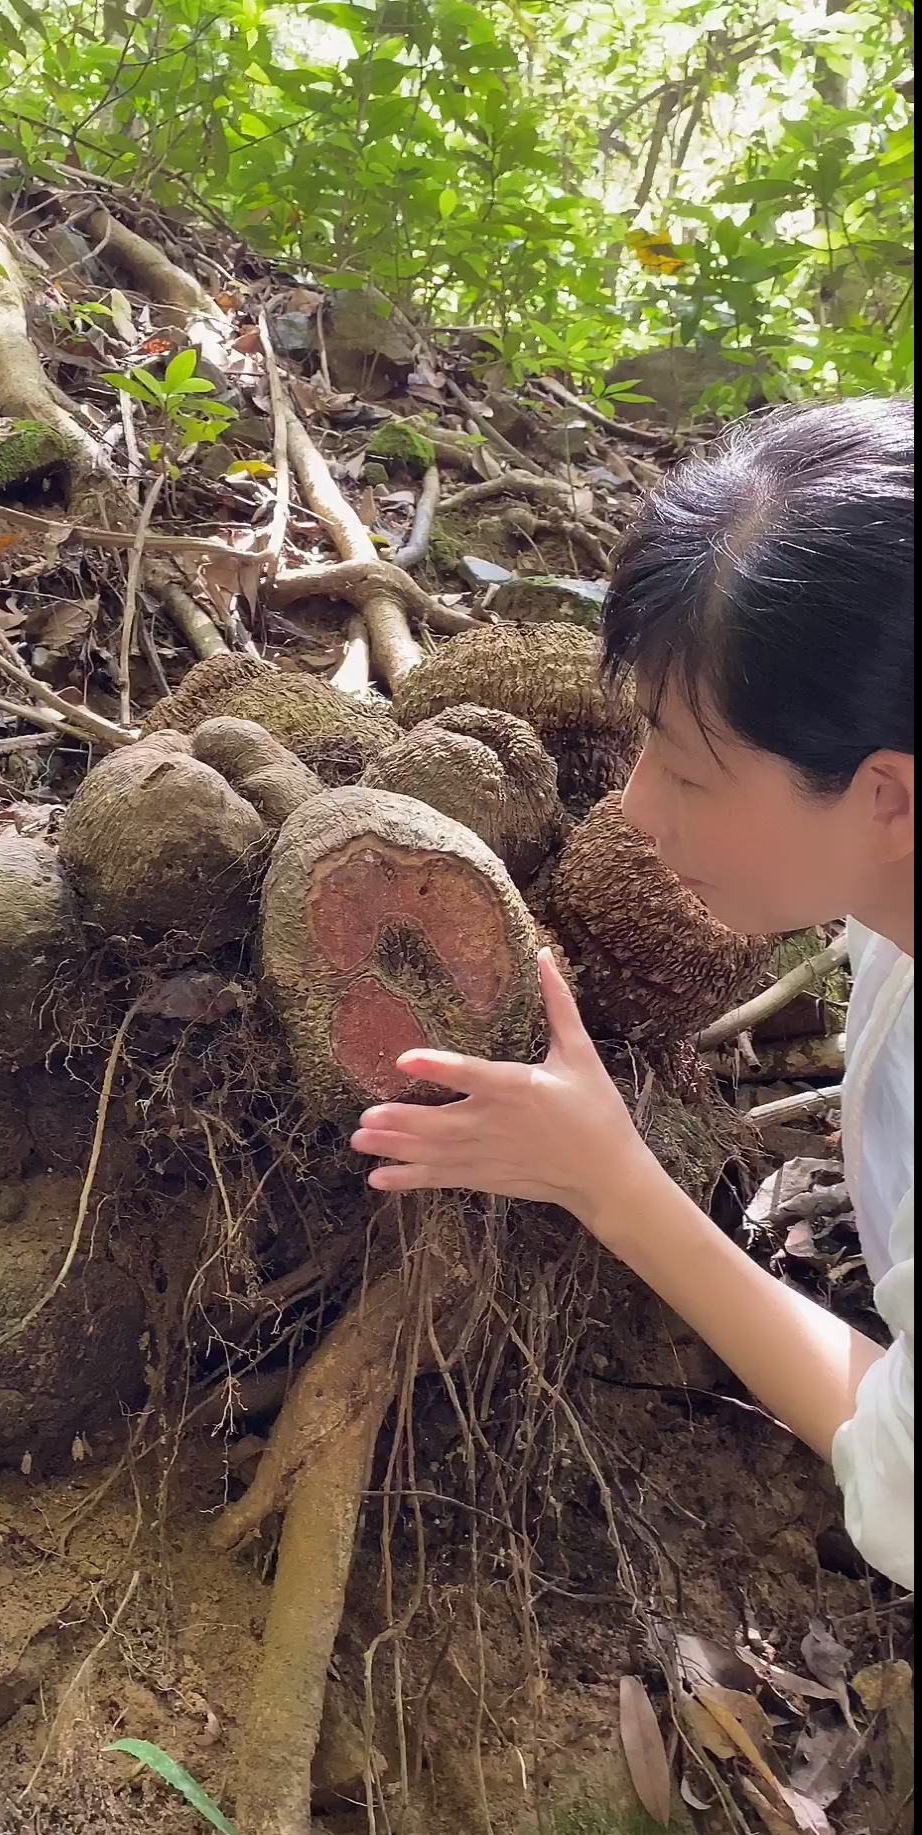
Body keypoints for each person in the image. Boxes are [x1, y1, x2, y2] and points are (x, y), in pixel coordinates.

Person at [351, 398, 915, 1591]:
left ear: (891, 795)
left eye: (692, 768)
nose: (639, 812)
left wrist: (611, 1182)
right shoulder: (885, 914)